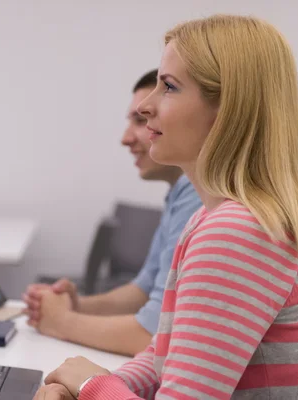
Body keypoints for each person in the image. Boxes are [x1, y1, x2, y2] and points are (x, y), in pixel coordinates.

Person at [35, 15, 298, 400]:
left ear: (228, 110)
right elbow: (167, 356)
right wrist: (93, 386)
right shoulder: (214, 218)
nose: (146, 106)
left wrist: (93, 386)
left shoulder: (235, 233)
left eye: (169, 88)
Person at [22, 70, 202, 356]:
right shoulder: (181, 192)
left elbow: (154, 337)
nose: (125, 138)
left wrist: (62, 322)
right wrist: (77, 306)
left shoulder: (199, 197)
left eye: (141, 121)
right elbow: (143, 291)